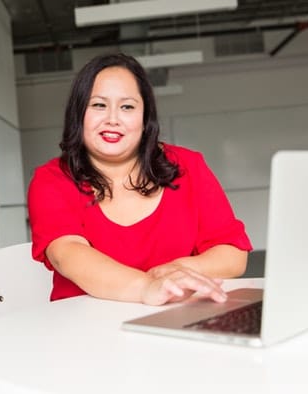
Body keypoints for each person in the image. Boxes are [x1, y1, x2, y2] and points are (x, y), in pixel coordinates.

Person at [27, 53, 253, 306]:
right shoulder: (52, 180)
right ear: (78, 114)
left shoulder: (188, 166)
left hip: (176, 320)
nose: (112, 118)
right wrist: (147, 287)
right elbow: (67, 254)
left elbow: (232, 255)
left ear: (145, 119)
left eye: (127, 107)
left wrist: (173, 272)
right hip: (86, 331)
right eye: (98, 105)